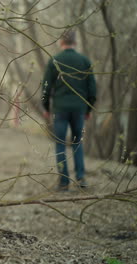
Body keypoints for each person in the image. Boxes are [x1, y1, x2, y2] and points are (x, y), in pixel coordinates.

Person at [41, 30, 97, 191]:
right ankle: (80, 178)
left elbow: (46, 87)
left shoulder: (55, 61)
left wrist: (46, 107)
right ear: (75, 42)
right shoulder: (84, 61)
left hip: (60, 109)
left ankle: (64, 182)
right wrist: (88, 108)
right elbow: (92, 89)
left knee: (60, 143)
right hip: (79, 109)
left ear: (60, 43)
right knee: (77, 142)